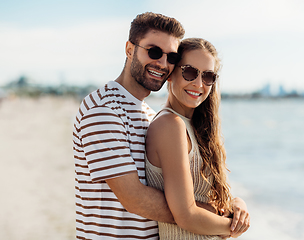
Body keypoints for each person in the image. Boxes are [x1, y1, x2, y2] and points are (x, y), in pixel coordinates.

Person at [73, 12, 249, 239]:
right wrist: (212, 214)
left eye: (171, 57)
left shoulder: (147, 114)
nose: (162, 63)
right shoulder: (104, 110)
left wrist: (230, 203)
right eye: (153, 51)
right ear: (129, 49)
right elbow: (135, 198)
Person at [145, 38, 250, 239]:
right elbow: (187, 215)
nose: (199, 84)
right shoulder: (170, 125)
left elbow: (204, 198)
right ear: (170, 73)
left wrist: (236, 204)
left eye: (208, 76)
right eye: (190, 72)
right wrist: (232, 226)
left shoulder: (196, 127)